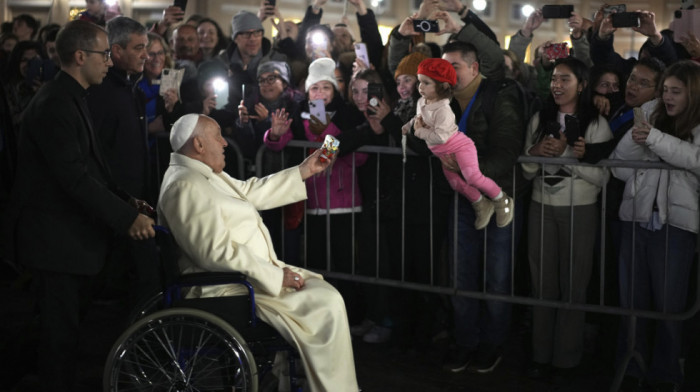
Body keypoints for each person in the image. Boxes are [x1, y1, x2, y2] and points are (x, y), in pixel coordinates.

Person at [157, 113, 359, 392]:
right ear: (199, 145)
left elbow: (249, 192)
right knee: (326, 304)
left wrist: (304, 170)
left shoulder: (200, 175)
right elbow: (214, 253)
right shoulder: (185, 184)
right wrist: (275, 276)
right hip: (223, 290)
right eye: (217, 136)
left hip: (242, 279)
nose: (225, 143)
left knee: (326, 297)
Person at [6, 20, 155, 390]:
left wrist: (126, 200)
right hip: (54, 241)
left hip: (68, 239)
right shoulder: (56, 103)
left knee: (59, 334)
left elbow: (91, 166)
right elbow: (73, 178)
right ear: (79, 56)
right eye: (103, 54)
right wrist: (126, 218)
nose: (109, 61)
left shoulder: (73, 95)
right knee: (57, 340)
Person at [611, 60, 700, 392]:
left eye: (676, 91)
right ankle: (631, 364)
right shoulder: (652, 116)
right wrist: (643, 134)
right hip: (637, 217)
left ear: (693, 93)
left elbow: (695, 160)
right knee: (631, 302)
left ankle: (666, 374)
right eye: (665, 91)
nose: (669, 97)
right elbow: (619, 168)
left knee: (668, 306)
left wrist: (657, 140)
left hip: (675, 226)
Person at [522, 57, 612, 381]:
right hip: (540, 206)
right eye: (554, 79)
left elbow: (602, 179)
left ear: (582, 85)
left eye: (565, 79)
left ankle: (566, 360)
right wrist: (535, 151)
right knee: (542, 282)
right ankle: (540, 354)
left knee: (574, 284)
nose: (557, 85)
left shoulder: (596, 123)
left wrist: (566, 155)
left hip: (580, 208)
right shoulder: (540, 118)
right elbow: (527, 168)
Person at [87, 16, 160, 305]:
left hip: (134, 204)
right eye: (139, 47)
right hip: (114, 209)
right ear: (116, 51)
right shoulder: (101, 93)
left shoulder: (130, 89)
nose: (146, 54)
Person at [403, 57, 514, 230]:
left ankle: (501, 199)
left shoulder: (444, 110)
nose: (420, 87)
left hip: (459, 147)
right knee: (455, 183)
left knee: (473, 177)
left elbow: (440, 137)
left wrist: (418, 132)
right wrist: (408, 126)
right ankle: (481, 204)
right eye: (420, 82)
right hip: (443, 153)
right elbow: (418, 119)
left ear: (442, 86)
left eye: (426, 83)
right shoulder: (422, 102)